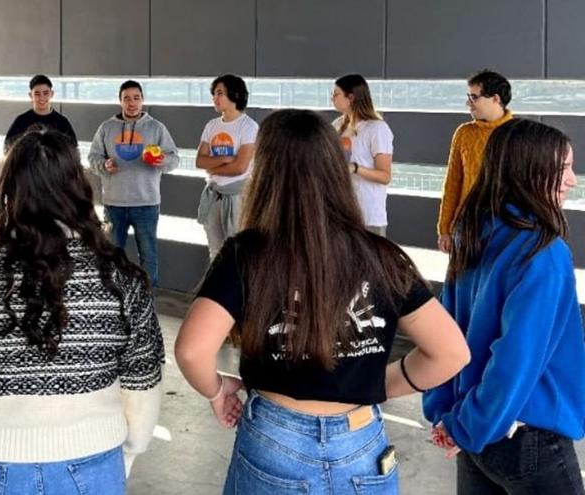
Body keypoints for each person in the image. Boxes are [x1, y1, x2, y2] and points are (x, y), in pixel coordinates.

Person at [175, 109, 470, 494]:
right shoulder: (381, 255)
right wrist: (375, 383)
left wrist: (216, 391)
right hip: (361, 440)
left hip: (274, 436)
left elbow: (193, 352)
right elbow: (451, 353)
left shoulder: (245, 254)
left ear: (265, 174)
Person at [0, 129, 164, 495]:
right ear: (78, 187)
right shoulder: (120, 278)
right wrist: (122, 457)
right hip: (93, 460)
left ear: (9, 190)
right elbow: (142, 379)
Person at [423, 118, 585, 494]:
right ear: (529, 170)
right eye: (563, 169)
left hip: (477, 431)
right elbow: (517, 358)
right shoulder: (543, 252)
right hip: (527, 437)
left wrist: (448, 415)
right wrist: (466, 426)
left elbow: (447, 333)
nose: (572, 181)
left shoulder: (472, 234)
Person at [87, 80, 179, 286]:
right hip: (114, 204)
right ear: (120, 101)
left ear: (142, 100)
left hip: (146, 204)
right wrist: (104, 165)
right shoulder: (107, 128)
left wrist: (161, 160)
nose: (132, 103)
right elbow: (92, 159)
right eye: (127, 98)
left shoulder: (156, 128)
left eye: (136, 98)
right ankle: (114, 300)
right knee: (111, 256)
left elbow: (174, 158)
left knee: (149, 256)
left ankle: (147, 302)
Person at [437, 70, 513, 253]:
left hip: (504, 230)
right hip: (465, 228)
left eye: (474, 98)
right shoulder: (464, 133)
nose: (468, 104)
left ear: (496, 98)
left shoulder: (517, 134)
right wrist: (444, 229)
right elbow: (453, 183)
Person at [195, 74, 259, 259]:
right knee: (215, 253)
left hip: (238, 198)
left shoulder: (249, 127)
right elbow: (200, 161)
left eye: (220, 93)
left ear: (235, 95)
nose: (215, 98)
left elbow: (240, 167)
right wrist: (225, 158)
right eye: (214, 93)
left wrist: (212, 167)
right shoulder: (212, 125)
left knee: (238, 254)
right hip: (214, 196)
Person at [332, 74, 394, 236]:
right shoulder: (337, 125)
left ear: (350, 97)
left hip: (369, 216)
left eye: (336, 94)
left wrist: (355, 168)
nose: (332, 98)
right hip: (341, 214)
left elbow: (385, 176)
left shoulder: (377, 129)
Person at [4, 74, 77, 152]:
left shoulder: (62, 122)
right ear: (30, 96)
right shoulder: (21, 121)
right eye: (37, 94)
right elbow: (7, 149)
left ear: (52, 94)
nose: (42, 98)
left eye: (45, 93)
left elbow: (73, 150)